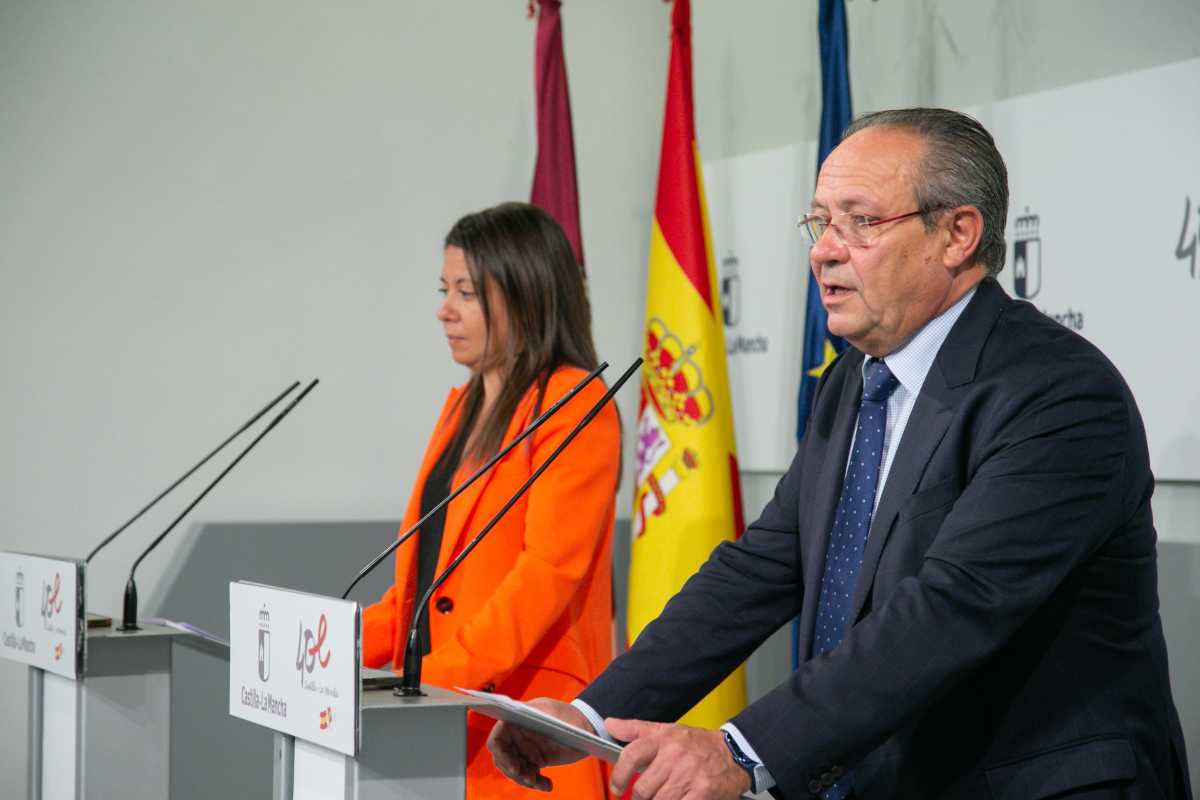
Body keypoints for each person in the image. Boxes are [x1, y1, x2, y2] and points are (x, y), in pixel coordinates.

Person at [487, 109, 1193, 800]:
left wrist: (741, 749)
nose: (825, 248)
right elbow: (763, 567)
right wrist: (587, 716)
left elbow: (949, 610)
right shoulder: (856, 379)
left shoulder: (1058, 395)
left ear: (957, 234)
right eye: (821, 221)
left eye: (860, 221)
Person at [362, 201, 620, 799]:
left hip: (526, 726)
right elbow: (422, 580)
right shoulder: (462, 407)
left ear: (525, 296)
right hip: (437, 719)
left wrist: (434, 679)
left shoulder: (574, 404)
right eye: (444, 289)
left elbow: (545, 575)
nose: (444, 310)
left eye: (467, 293)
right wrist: (337, 644)